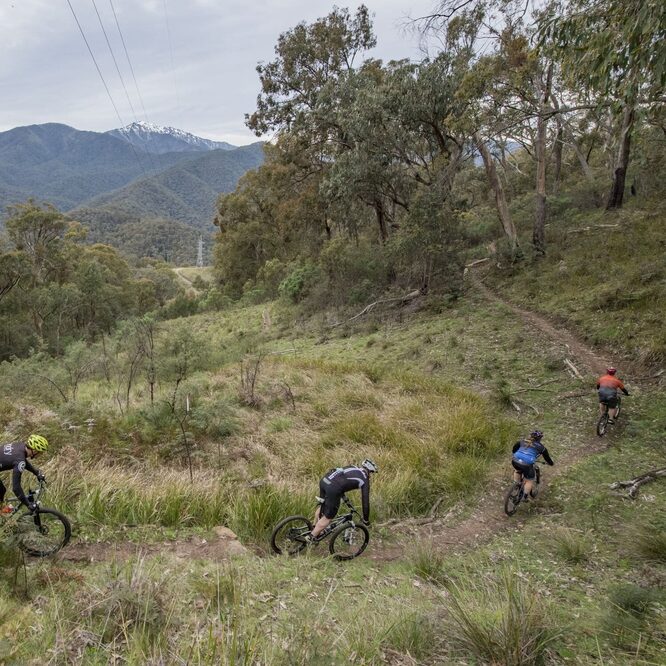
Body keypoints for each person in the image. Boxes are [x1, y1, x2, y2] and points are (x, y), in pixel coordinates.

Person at [309, 459, 377, 540]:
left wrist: (345, 500)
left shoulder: (353, 467)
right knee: (328, 517)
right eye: (372, 473)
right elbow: (365, 503)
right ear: (369, 472)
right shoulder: (364, 480)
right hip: (333, 488)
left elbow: (341, 480)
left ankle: (314, 527)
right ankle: (311, 538)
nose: (371, 475)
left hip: (324, 480)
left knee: (324, 505)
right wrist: (366, 520)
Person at [0, 434, 48, 513]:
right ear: (35, 451)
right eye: (41, 452)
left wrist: (37, 473)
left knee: (1, 490)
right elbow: (16, 488)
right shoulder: (20, 460)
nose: (41, 455)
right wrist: (28, 504)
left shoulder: (20, 446)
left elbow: (22, 461)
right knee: (1, 490)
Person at [511, 431, 553, 501]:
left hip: (515, 460)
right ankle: (524, 497)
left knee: (517, 470)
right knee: (529, 480)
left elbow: (514, 449)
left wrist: (516, 454)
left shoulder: (522, 441)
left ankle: (516, 484)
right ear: (540, 439)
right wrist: (551, 463)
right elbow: (547, 458)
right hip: (527, 463)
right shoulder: (542, 448)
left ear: (530, 436)